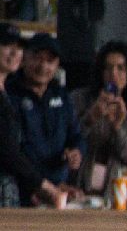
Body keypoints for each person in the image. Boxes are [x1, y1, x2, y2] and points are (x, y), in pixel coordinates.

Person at [71, 41, 127, 200]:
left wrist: (117, 127)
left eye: (120, 68)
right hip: (78, 188)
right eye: (108, 68)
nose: (113, 73)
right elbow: (68, 143)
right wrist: (91, 118)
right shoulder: (79, 99)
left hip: (116, 193)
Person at [7, 34, 86, 189]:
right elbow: (12, 151)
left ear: (57, 66)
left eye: (50, 61)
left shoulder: (61, 95)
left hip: (57, 187)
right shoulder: (9, 95)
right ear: (24, 58)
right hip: (21, 189)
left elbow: (76, 136)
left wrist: (77, 151)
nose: (43, 66)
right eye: (37, 58)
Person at [0, 23, 65, 208]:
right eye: (7, 46)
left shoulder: (6, 94)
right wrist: (43, 186)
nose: (14, 53)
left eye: (19, 47)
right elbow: (8, 151)